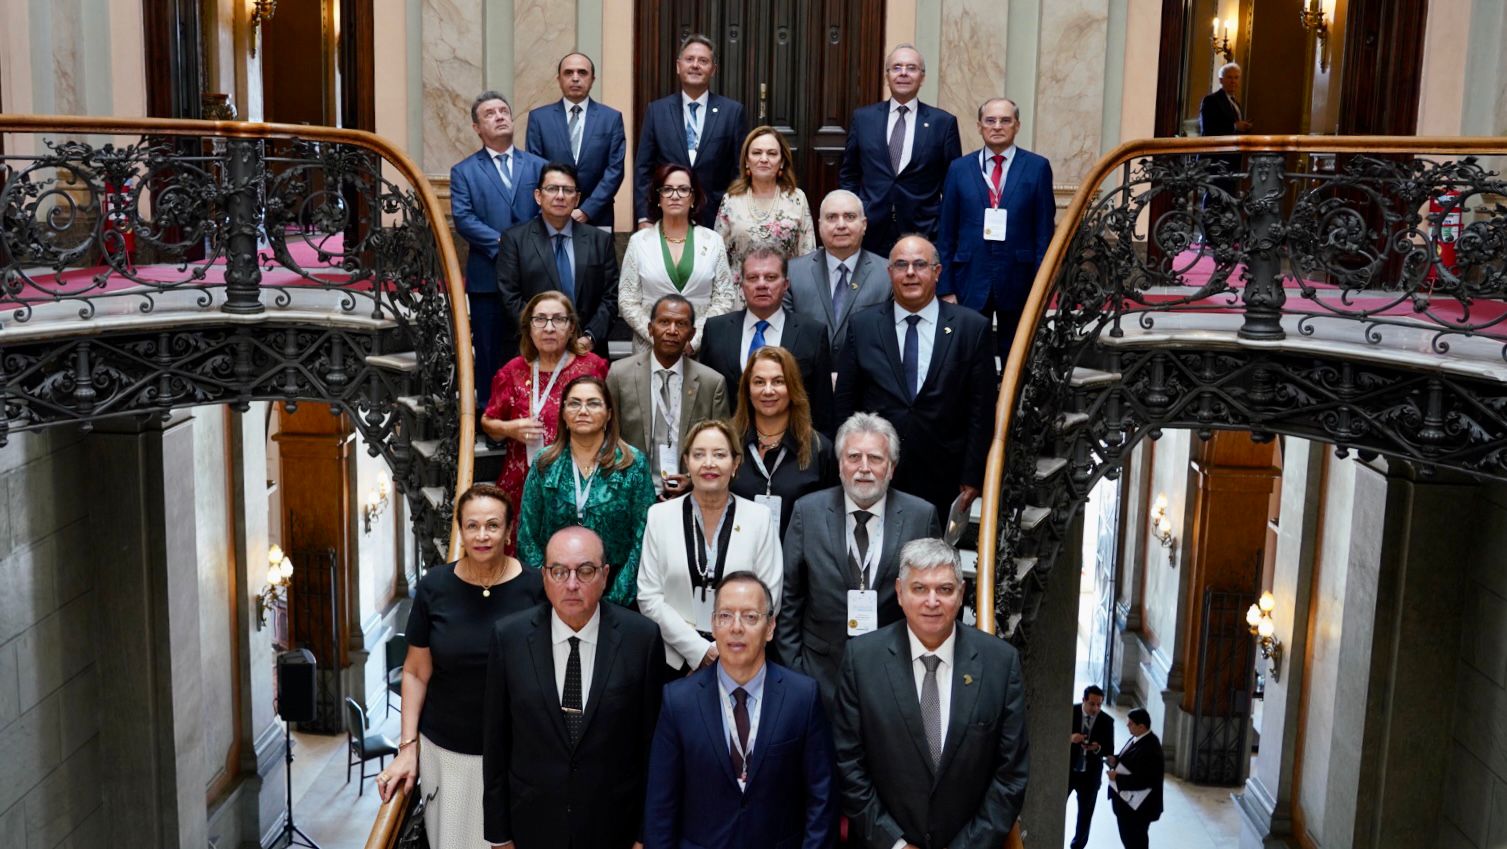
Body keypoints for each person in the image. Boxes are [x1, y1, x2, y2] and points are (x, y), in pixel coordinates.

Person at [376, 484, 545, 848]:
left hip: (518, 754)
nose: (482, 535)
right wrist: (408, 747)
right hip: (447, 753)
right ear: (460, 530)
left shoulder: (537, 588)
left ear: (509, 530)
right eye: (472, 526)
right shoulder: (434, 587)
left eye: (492, 525)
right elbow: (416, 671)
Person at [832, 538, 1029, 849]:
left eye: (945, 589)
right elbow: (848, 765)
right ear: (899, 592)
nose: (932, 601)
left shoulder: (1000, 664)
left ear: (962, 593)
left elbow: (1011, 776)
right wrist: (895, 844)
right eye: (919, 588)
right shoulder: (861, 660)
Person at [481, 527, 665, 849]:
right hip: (532, 827)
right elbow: (496, 743)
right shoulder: (509, 638)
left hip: (613, 828)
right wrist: (499, 835)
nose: (571, 584)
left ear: (605, 575)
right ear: (544, 576)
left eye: (585, 571)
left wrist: (644, 835)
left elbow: (652, 747)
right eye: (559, 571)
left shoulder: (642, 639)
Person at [643, 573, 837, 849]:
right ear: (713, 625)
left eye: (750, 617)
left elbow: (822, 799)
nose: (736, 628)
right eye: (725, 616)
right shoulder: (678, 701)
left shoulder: (802, 697)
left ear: (770, 627)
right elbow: (660, 805)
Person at [775, 413, 939, 708]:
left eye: (875, 458)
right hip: (818, 675)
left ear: (891, 468)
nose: (864, 468)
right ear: (840, 466)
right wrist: (796, 670)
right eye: (853, 457)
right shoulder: (807, 512)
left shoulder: (921, 517)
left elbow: (933, 598)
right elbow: (788, 597)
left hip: (894, 677)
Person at [833, 235, 996, 522]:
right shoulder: (863, 325)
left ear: (937, 272)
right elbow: (846, 402)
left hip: (943, 474)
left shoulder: (971, 328)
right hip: (874, 472)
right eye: (901, 265)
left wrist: (972, 476)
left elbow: (980, 411)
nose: (910, 273)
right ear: (889, 273)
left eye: (920, 264)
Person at [637, 419, 782, 679]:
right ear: (687, 462)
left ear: (735, 464)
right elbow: (648, 596)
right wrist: (700, 651)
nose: (709, 463)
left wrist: (724, 648)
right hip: (674, 662)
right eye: (699, 454)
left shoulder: (759, 518)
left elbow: (769, 595)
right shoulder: (660, 516)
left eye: (719, 454)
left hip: (742, 656)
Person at [515, 376, 656, 605]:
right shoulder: (545, 463)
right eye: (574, 403)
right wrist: (552, 587)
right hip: (556, 588)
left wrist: (615, 599)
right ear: (563, 413)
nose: (583, 410)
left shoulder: (632, 463)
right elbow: (527, 536)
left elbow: (643, 536)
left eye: (593, 403)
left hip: (616, 591)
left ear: (609, 413)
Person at [936, 98, 1056, 361]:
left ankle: (1011, 403)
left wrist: (1042, 287)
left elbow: (1044, 234)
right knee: (966, 356)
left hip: (1020, 279)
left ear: (1017, 126)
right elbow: (946, 233)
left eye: (1005, 120)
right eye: (990, 120)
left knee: (1017, 356)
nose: (997, 126)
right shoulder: (959, 169)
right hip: (968, 277)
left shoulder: (1037, 167)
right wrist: (945, 287)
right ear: (979, 126)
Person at [479, 292, 608, 536]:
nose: (549, 328)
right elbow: (488, 421)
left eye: (558, 320)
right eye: (540, 320)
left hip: (579, 483)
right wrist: (510, 429)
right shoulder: (512, 371)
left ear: (571, 328)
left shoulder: (592, 367)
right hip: (523, 484)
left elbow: (609, 421)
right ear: (528, 328)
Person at [450, 91, 546, 402]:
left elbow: (550, 212)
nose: (500, 116)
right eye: (490, 113)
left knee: (532, 350)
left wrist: (526, 246)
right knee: (490, 353)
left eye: (504, 110)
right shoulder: (464, 171)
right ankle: (489, 417)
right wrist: (506, 243)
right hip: (487, 280)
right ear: (477, 127)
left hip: (533, 276)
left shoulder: (538, 167)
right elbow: (464, 219)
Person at [839, 44, 961, 257]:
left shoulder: (943, 123)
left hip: (923, 231)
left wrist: (940, 222)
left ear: (922, 77)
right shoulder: (863, 118)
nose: (903, 73)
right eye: (896, 67)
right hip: (870, 229)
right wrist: (854, 216)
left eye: (911, 68)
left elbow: (952, 183)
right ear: (887, 75)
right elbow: (849, 174)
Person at [698, 248, 835, 435]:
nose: (761, 284)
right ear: (741, 284)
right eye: (753, 278)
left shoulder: (811, 333)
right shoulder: (716, 330)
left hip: (792, 449)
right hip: (729, 446)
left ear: (786, 284)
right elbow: (704, 400)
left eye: (770, 277)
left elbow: (823, 408)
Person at [606, 294, 730, 497]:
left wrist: (691, 480)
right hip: (629, 493)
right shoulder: (620, 375)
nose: (672, 331)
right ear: (650, 328)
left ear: (691, 334)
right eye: (664, 322)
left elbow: (721, 447)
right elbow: (609, 438)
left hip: (690, 495)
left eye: (681, 324)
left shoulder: (711, 383)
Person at [496, 163, 620, 354]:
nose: (560, 196)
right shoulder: (514, 240)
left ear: (577, 198)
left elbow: (610, 297)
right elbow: (510, 297)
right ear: (538, 196)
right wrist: (544, 336)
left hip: (587, 351)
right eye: (552, 189)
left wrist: (589, 337)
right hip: (534, 350)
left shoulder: (599, 240)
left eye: (568, 190)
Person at [619, 164, 738, 354]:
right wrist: (659, 337)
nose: (675, 195)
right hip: (650, 348)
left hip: (699, 350)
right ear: (658, 197)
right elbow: (627, 300)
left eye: (683, 189)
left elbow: (724, 298)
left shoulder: (713, 240)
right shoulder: (639, 242)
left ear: (693, 197)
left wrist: (694, 339)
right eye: (667, 189)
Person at [635, 33, 748, 229]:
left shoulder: (732, 112)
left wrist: (734, 213)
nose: (695, 65)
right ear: (679, 66)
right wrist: (644, 217)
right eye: (689, 59)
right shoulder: (657, 110)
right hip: (667, 215)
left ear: (713, 70)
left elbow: (739, 170)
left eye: (703, 61)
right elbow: (643, 169)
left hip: (718, 217)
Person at [727, 346, 837, 539]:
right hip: (736, 562)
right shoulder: (727, 444)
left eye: (778, 381)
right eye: (759, 382)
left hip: (797, 564)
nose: (768, 391)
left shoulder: (820, 449)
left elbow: (829, 521)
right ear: (747, 389)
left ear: (793, 387)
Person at [785, 189, 892, 360]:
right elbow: (788, 338)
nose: (841, 225)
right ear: (819, 225)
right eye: (831, 217)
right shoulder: (792, 273)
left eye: (849, 217)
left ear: (864, 224)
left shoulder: (888, 275)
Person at [524, 52, 626, 230]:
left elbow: (615, 170)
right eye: (569, 73)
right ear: (559, 79)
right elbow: (535, 169)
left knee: (597, 259)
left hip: (597, 217)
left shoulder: (611, 118)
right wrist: (557, 208)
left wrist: (587, 210)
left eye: (582, 73)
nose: (576, 78)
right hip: (551, 217)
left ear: (593, 79)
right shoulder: (539, 119)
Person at [714, 126, 816, 278]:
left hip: (785, 294)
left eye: (772, 153)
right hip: (739, 294)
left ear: (781, 161)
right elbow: (718, 257)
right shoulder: (731, 200)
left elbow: (807, 253)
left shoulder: (796, 198)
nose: (764, 159)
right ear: (747, 161)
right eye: (756, 153)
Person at [1106, 708, 1165, 849]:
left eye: (1131, 723)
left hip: (1139, 808)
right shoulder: (1138, 738)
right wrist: (1116, 759)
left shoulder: (1152, 748)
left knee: (1136, 842)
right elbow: (1130, 759)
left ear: (1142, 726)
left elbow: (1146, 780)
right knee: (1129, 841)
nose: (1127, 725)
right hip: (1128, 805)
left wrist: (1117, 778)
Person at [1068, 685, 1115, 849]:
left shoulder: (1107, 721)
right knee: (1056, 808)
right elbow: (1054, 738)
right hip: (1067, 773)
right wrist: (1070, 738)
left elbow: (1109, 749)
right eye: (1092, 704)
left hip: (1090, 777)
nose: (1096, 708)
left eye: (1099, 705)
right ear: (1084, 701)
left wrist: (1097, 748)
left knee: (1085, 817)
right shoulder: (1070, 712)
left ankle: (1077, 846)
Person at [1199, 62, 1251, 183]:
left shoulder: (1235, 103)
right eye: (1230, 77)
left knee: (1229, 196)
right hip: (1217, 159)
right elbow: (1208, 129)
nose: (1233, 81)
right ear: (1221, 80)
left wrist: (1245, 127)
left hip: (1233, 158)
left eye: (1236, 78)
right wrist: (1234, 126)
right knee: (1215, 195)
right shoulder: (1211, 100)